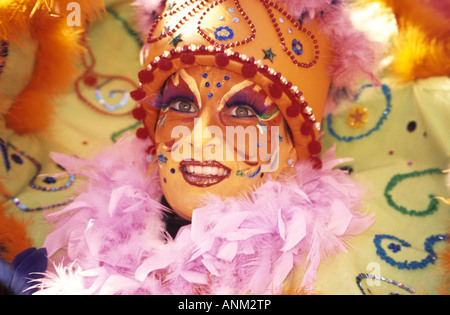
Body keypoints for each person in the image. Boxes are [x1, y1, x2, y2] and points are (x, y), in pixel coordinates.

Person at [33, 0, 379, 294]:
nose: (199, 138)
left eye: (243, 110)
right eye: (182, 105)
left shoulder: (334, 271)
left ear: (294, 146)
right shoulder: (88, 239)